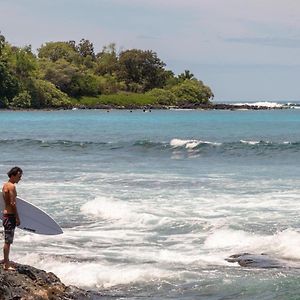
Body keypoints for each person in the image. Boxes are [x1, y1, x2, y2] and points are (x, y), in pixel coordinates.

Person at [2, 166, 22, 270]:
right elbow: (13, 203)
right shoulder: (12, 187)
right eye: (19, 176)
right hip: (10, 216)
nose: (20, 178)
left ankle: (6, 261)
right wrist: (17, 217)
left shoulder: (5, 185)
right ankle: (6, 264)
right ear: (13, 175)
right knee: (8, 241)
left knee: (7, 240)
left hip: (5, 215)